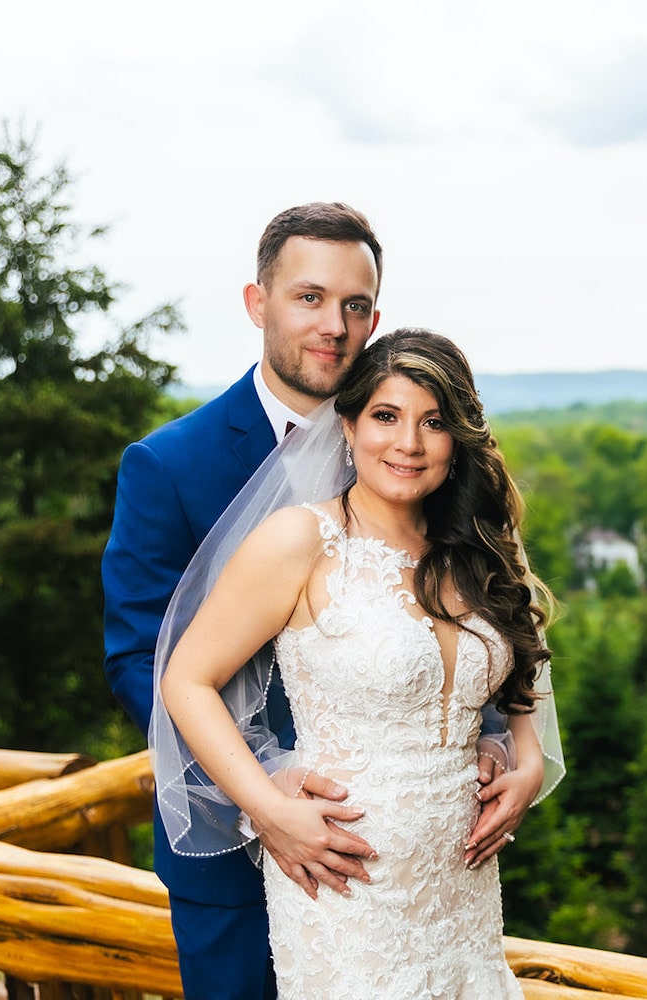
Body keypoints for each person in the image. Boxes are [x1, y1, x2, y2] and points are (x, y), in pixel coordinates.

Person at [102, 205, 535, 998]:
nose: (335, 324)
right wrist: (265, 795)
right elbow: (144, 659)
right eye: (309, 298)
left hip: (431, 873)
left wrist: (499, 743)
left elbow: (479, 619)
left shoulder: (406, 454)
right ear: (256, 301)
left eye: (356, 305)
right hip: (238, 853)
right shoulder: (168, 464)